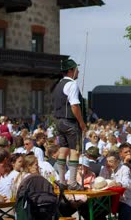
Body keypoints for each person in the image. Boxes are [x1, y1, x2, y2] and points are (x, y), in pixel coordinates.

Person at [53, 59, 87, 190]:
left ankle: (62, 181)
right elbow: (74, 105)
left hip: (59, 121)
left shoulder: (58, 84)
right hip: (70, 121)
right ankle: (72, 182)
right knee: (74, 152)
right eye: (76, 69)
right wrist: (82, 122)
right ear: (70, 71)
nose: (78, 71)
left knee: (63, 150)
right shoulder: (72, 84)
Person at [100, 151, 131, 219]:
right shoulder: (105, 169)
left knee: (124, 210)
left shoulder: (124, 169)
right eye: (107, 161)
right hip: (109, 199)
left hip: (126, 199)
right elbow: (100, 180)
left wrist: (119, 184)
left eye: (111, 161)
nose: (108, 164)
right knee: (97, 210)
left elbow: (128, 182)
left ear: (118, 161)